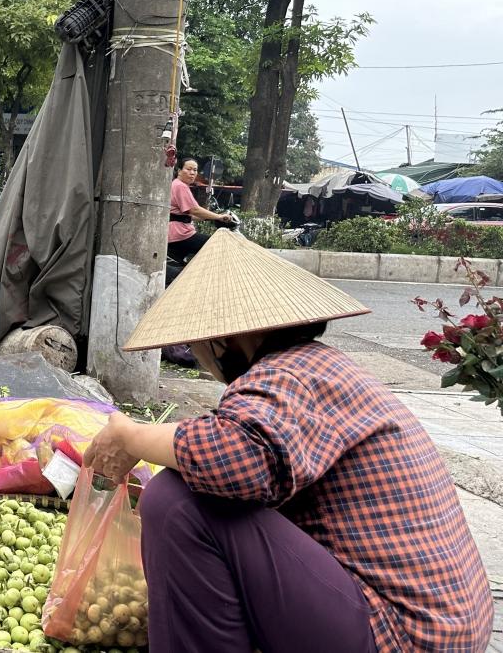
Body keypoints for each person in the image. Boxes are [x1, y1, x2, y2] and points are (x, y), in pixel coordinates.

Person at [83, 229, 493, 653]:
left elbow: (233, 461)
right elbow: (240, 450)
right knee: (192, 482)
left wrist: (129, 434)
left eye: (196, 347)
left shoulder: (287, 374)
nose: (201, 361)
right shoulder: (318, 367)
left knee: (177, 502)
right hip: (442, 626)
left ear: (222, 342)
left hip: (402, 634)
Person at [167, 158, 232, 263]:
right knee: (217, 245)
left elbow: (186, 214)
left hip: (173, 234)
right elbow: (194, 210)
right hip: (181, 234)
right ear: (179, 171)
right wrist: (218, 216)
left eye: (195, 170)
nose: (192, 173)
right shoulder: (180, 186)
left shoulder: (175, 184)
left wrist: (208, 217)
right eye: (188, 169)